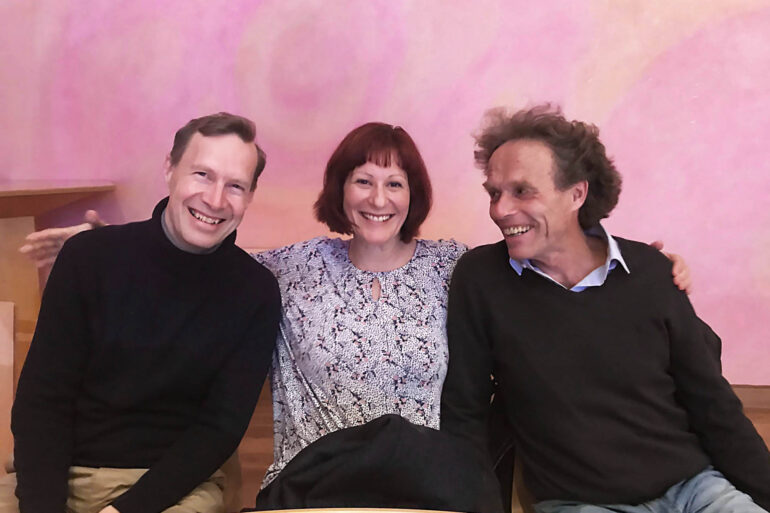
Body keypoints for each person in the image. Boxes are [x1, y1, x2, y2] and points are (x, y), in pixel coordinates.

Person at [18, 122, 692, 492]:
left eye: (394, 182)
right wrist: (110, 243)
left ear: (413, 194)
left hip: (429, 485)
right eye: (362, 180)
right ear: (340, 191)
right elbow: (200, 252)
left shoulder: (459, 267)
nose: (377, 197)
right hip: (312, 483)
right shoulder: (288, 268)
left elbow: (548, 261)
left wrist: (642, 264)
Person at [440, 105, 770, 512]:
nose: (500, 209)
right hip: (582, 504)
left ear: (576, 194)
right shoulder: (481, 279)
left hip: (694, 490)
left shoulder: (649, 271)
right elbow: (465, 412)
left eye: (522, 191)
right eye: (494, 193)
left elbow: (714, 406)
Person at [8, 113, 282, 513]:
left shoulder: (254, 291)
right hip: (59, 475)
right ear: (169, 168)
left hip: (172, 488)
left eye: (235, 186)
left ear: (250, 195)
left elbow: (219, 428)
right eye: (202, 175)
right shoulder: (89, 257)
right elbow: (43, 400)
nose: (215, 199)